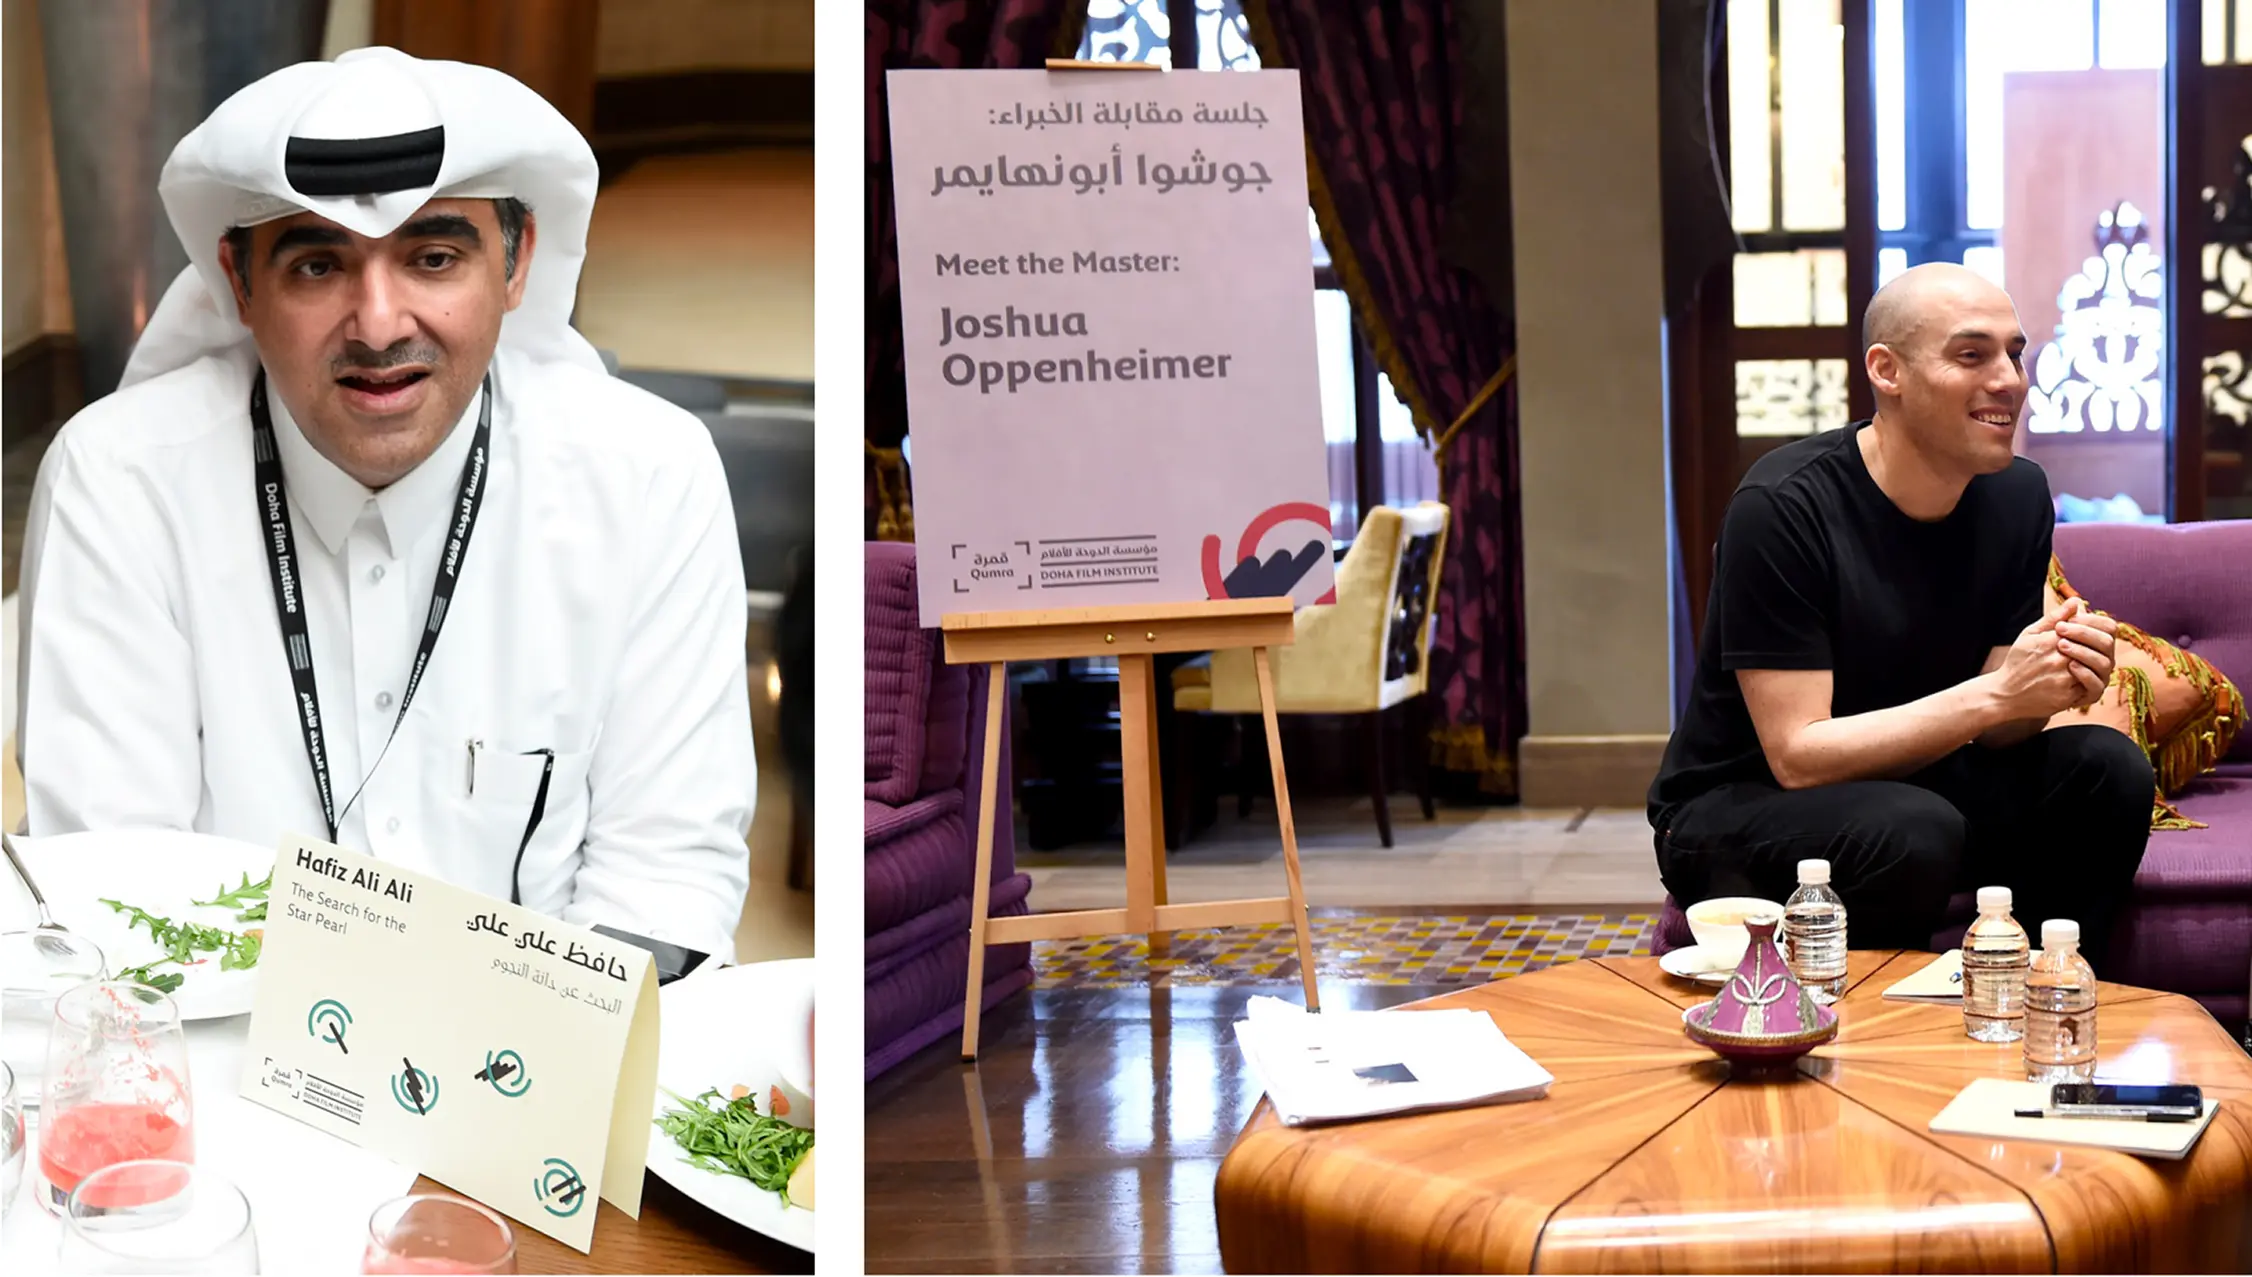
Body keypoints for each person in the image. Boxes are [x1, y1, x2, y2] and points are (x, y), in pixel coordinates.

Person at [16, 48, 756, 960]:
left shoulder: (649, 476)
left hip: (547, 1065)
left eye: (434, 257)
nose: (378, 324)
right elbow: (115, 888)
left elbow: (667, 876)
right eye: (318, 266)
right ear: (240, 283)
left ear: (516, 264)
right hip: (221, 1058)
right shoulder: (122, 483)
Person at [1648, 262, 2153, 963]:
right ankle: (1889, 1039)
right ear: (1887, 371)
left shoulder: (2017, 496)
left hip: (1918, 784)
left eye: (2015, 352)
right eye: (1971, 355)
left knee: (2108, 767)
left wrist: (2051, 682)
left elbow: (2000, 732)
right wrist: (1996, 694)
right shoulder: (1783, 507)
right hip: (1738, 805)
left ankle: (2040, 987)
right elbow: (1797, 755)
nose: (2009, 379)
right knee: (1914, 827)